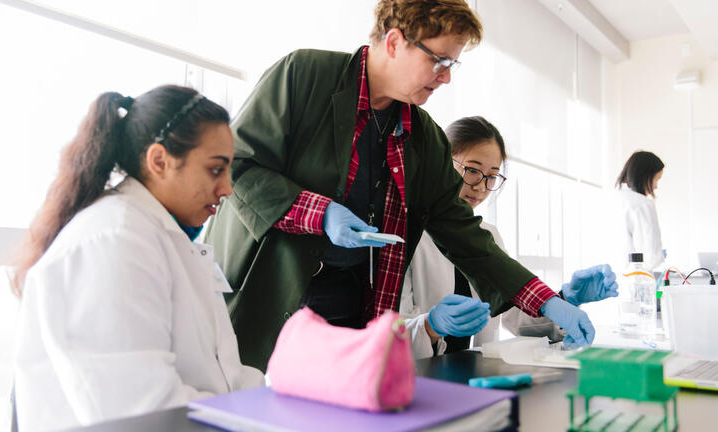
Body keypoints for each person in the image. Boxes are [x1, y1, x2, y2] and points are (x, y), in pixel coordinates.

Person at [205, 0, 594, 370]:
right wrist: (320, 213)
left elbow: (466, 237)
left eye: (452, 64)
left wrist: (546, 301)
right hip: (270, 296)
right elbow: (237, 164)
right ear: (394, 42)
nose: (445, 77)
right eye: (438, 61)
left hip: (352, 314)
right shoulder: (303, 75)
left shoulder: (424, 137)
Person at [11, 85, 264, 430]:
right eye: (215, 170)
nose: (228, 189)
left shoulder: (161, 236)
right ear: (159, 161)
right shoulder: (115, 240)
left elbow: (223, 373)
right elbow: (140, 412)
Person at [400, 116, 619, 358]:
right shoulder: (410, 233)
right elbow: (384, 336)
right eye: (472, 170)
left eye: (492, 176)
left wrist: (564, 300)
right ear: (441, 164)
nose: (481, 186)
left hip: (477, 376)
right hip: (418, 380)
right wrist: (431, 327)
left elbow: (515, 317)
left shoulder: (489, 235)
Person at [614, 150, 665, 270]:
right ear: (644, 176)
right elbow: (652, 259)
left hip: (609, 283)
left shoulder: (613, 198)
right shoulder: (642, 204)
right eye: (656, 179)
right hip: (636, 282)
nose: (656, 186)